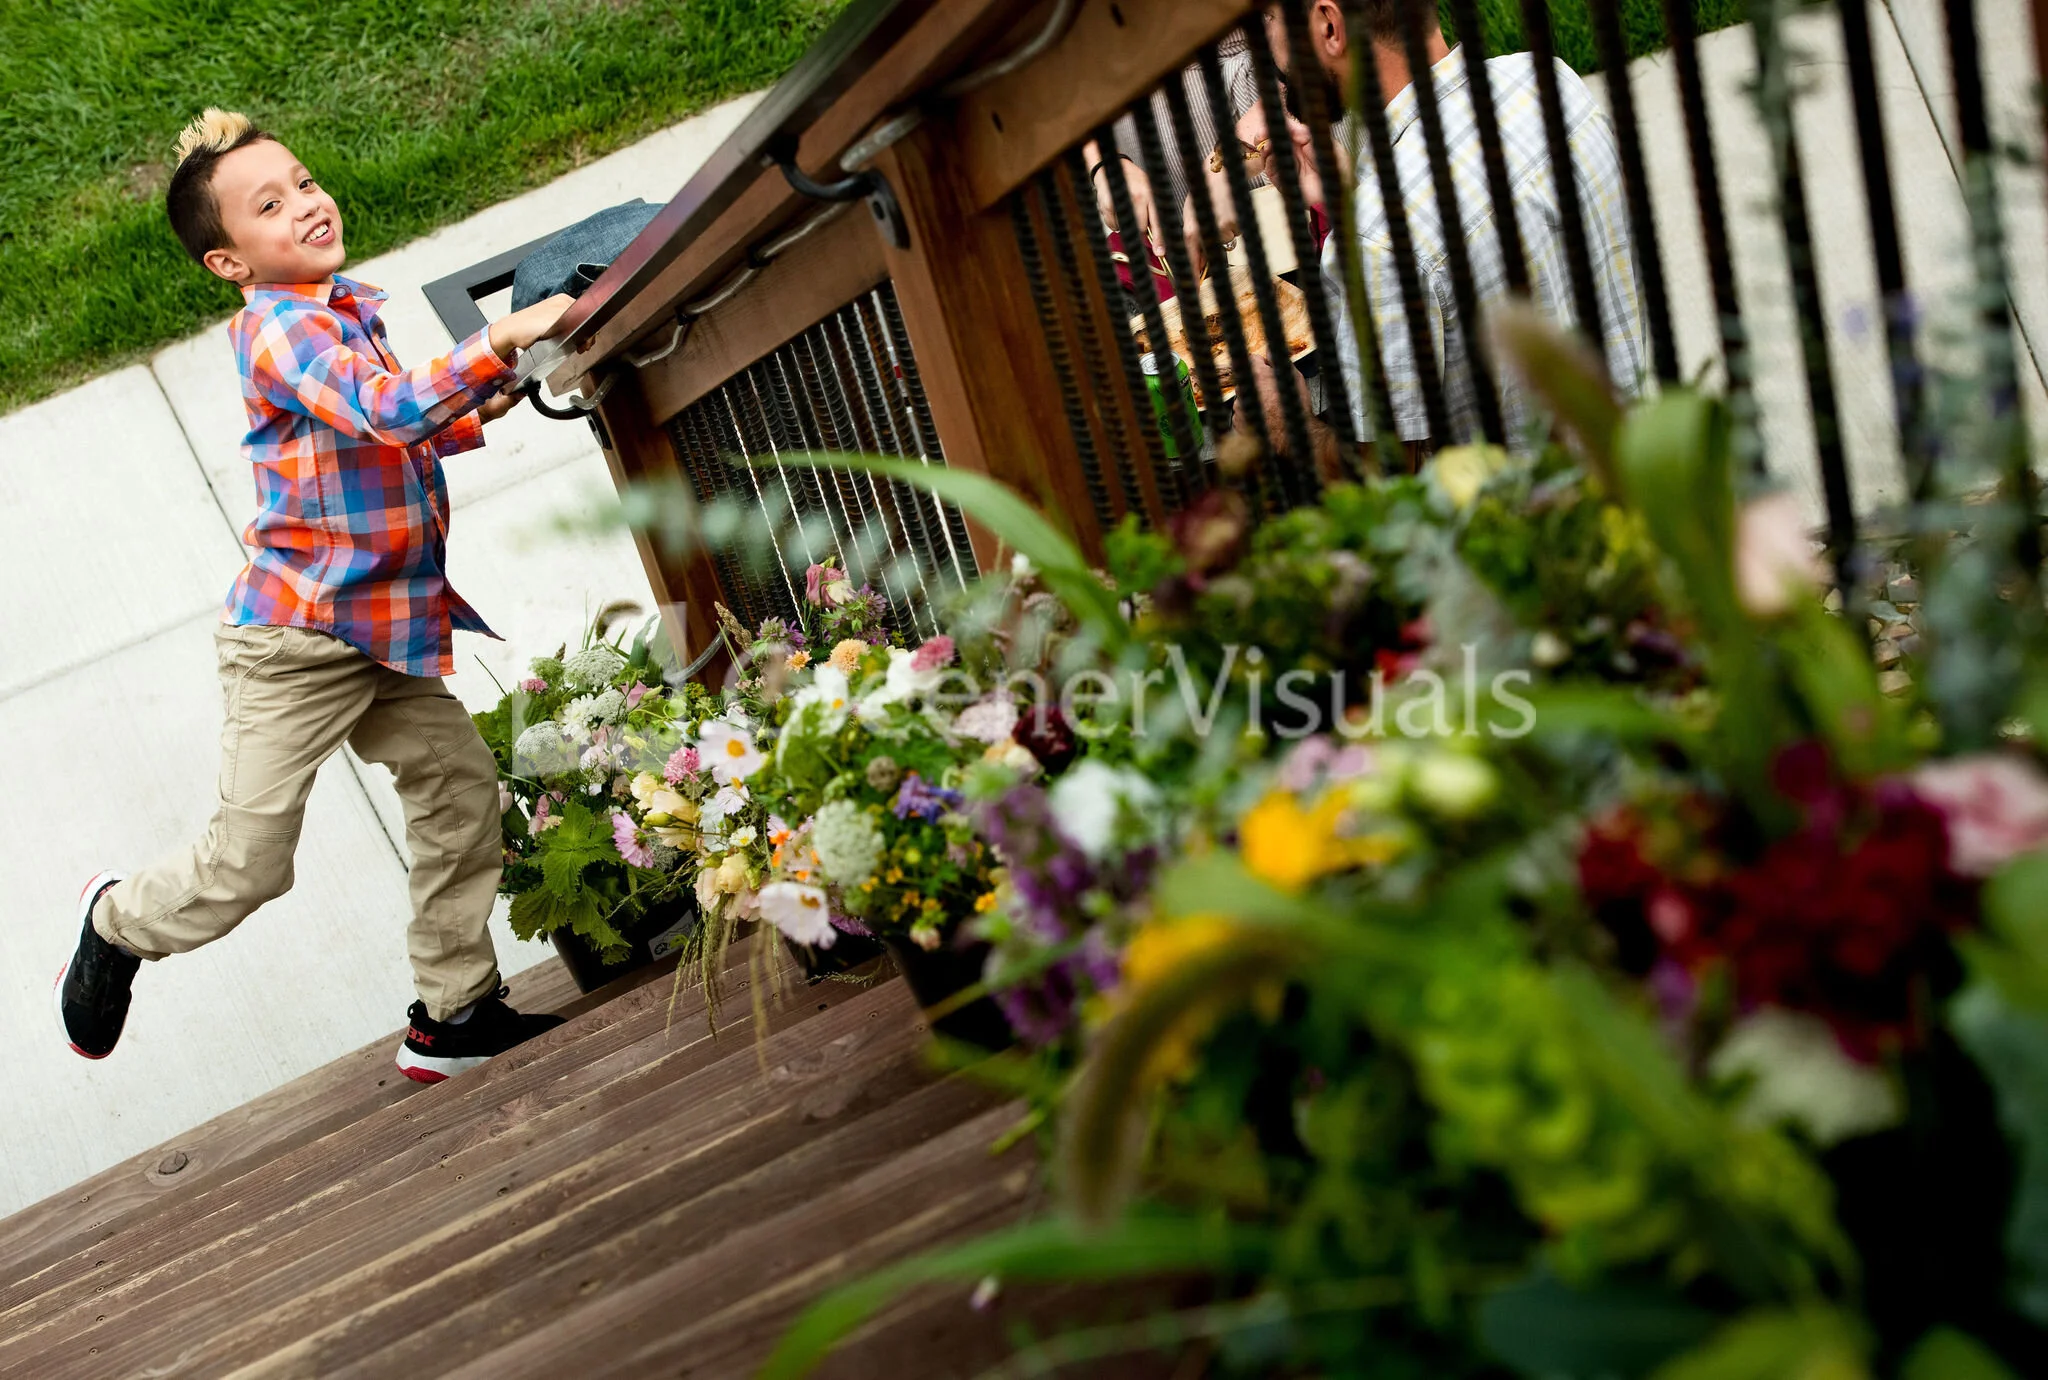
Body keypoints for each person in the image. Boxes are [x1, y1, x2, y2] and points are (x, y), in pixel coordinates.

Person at [54, 109, 576, 1083]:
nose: (304, 204)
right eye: (268, 203)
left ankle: (453, 1013)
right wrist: (500, 338)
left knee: (459, 792)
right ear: (230, 264)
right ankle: (115, 923)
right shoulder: (278, 330)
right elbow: (387, 409)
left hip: (378, 629)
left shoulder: (338, 314)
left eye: (301, 182)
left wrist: (487, 399)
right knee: (250, 865)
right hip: (293, 645)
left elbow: (382, 439)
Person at [1241, 0, 1649, 470]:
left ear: (1330, 25)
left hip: (1529, 534)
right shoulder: (1552, 82)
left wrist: (1285, 424)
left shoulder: (1381, 235)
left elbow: (1389, 481)